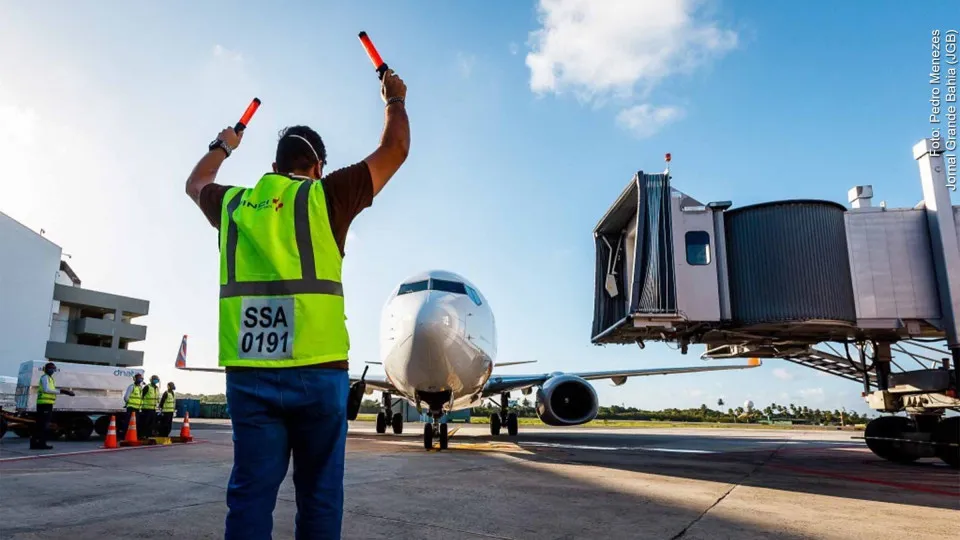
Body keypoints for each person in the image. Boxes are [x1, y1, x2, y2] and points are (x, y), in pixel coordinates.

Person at [184, 69, 409, 539]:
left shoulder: (235, 205)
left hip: (250, 372)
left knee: (249, 495)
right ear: (318, 166)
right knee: (320, 495)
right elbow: (395, 151)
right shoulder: (326, 196)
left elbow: (196, 182)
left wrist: (224, 144)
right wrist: (394, 100)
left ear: (274, 163)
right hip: (318, 370)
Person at [31, 362, 75, 450]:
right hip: (44, 404)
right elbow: (47, 390)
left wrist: (63, 391)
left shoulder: (50, 378)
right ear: (46, 369)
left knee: (40, 424)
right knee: (43, 425)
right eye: (50, 368)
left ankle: (35, 443)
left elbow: (50, 389)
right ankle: (41, 444)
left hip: (46, 404)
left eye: (53, 369)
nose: (52, 370)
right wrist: (62, 391)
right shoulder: (45, 378)